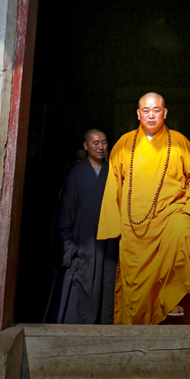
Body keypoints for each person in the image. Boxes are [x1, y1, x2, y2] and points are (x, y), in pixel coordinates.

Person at [97, 92, 190, 325]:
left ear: (165, 113)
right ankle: (135, 337)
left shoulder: (178, 142)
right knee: (136, 290)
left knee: (183, 231)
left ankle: (172, 301)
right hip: (134, 226)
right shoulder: (123, 145)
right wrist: (112, 225)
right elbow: (113, 185)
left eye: (156, 110)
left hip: (169, 218)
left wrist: (188, 211)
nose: (151, 115)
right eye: (145, 110)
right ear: (138, 114)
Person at [49, 129, 118, 324]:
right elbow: (65, 211)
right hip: (82, 246)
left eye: (104, 143)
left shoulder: (113, 171)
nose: (100, 147)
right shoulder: (76, 173)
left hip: (108, 247)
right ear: (86, 146)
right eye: (95, 143)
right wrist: (69, 247)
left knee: (107, 295)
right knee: (76, 300)